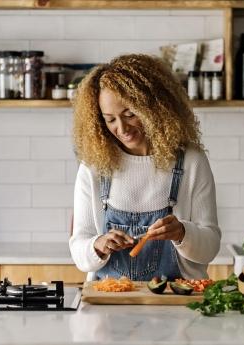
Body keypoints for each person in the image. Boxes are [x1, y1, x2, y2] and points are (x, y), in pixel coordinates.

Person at [69, 54, 221, 281]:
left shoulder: (191, 161)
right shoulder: (94, 166)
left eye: (130, 114)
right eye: (110, 119)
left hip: (175, 302)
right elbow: (79, 249)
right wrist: (98, 245)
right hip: (108, 302)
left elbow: (210, 245)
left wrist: (182, 233)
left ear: (155, 108)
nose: (122, 128)